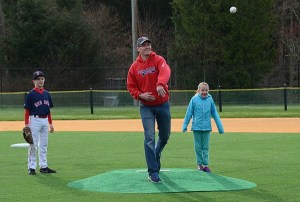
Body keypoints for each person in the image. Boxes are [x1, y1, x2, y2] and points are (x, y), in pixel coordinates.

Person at [127, 36, 171, 183]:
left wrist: (160, 84)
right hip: (146, 107)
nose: (147, 47)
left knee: (164, 136)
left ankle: (156, 154)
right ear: (138, 49)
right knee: (149, 138)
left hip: (163, 104)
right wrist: (140, 95)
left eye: (148, 44)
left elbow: (166, 72)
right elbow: (131, 86)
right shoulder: (134, 67)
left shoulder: (158, 59)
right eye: (143, 45)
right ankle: (153, 171)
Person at [182, 82, 224, 172]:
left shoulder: (210, 99)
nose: (204, 92)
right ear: (198, 90)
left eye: (206, 90)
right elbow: (188, 113)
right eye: (202, 90)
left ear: (208, 91)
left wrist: (220, 127)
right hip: (196, 128)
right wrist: (185, 125)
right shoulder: (194, 99)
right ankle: (199, 165)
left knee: (205, 147)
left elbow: (215, 113)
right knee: (198, 147)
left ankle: (205, 165)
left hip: (207, 128)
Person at [24, 71, 56, 175]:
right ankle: (31, 167)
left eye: (42, 79)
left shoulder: (47, 94)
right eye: (38, 79)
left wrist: (50, 123)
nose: (40, 81)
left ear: (44, 80)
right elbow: (27, 111)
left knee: (44, 145)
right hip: (35, 120)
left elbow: (48, 110)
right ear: (34, 81)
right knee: (33, 144)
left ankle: (43, 166)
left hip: (45, 120)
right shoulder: (31, 94)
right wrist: (26, 125)